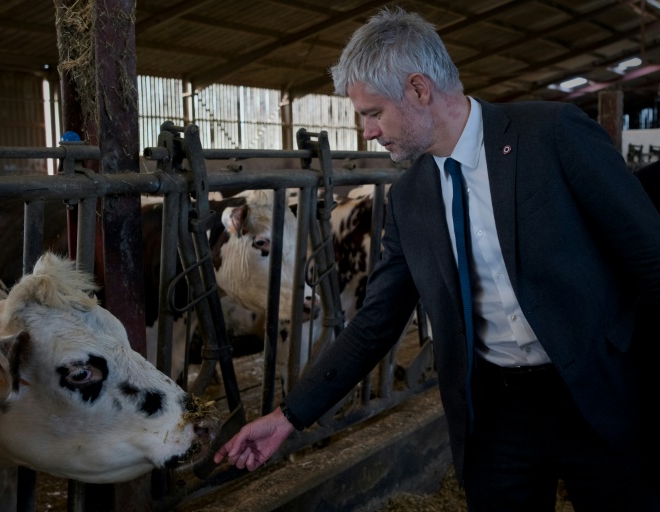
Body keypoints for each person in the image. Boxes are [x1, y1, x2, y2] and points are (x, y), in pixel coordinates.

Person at [214, 7, 660, 511]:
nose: (368, 132)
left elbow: (650, 257)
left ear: (420, 89)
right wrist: (289, 415)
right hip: (497, 413)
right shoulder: (410, 199)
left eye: (373, 111)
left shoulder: (553, 134)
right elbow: (375, 323)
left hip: (600, 394)